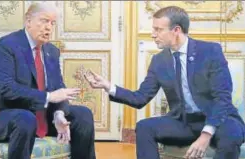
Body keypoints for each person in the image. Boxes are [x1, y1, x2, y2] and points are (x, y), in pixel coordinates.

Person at [85, 6, 245, 159]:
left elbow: (222, 98)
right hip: (184, 121)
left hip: (219, 119)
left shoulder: (210, 51)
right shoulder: (159, 61)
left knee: (231, 135)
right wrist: (108, 86)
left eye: (158, 29)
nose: (153, 34)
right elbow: (140, 98)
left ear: (176, 30)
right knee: (144, 127)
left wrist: (206, 134)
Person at [0, 2, 96, 159]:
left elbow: (58, 87)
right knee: (26, 118)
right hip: (4, 115)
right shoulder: (5, 46)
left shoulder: (52, 51)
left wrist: (59, 114)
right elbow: (6, 89)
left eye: (52, 23)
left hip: (41, 115)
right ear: (28, 20)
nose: (49, 28)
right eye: (44, 21)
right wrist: (48, 97)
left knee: (83, 115)